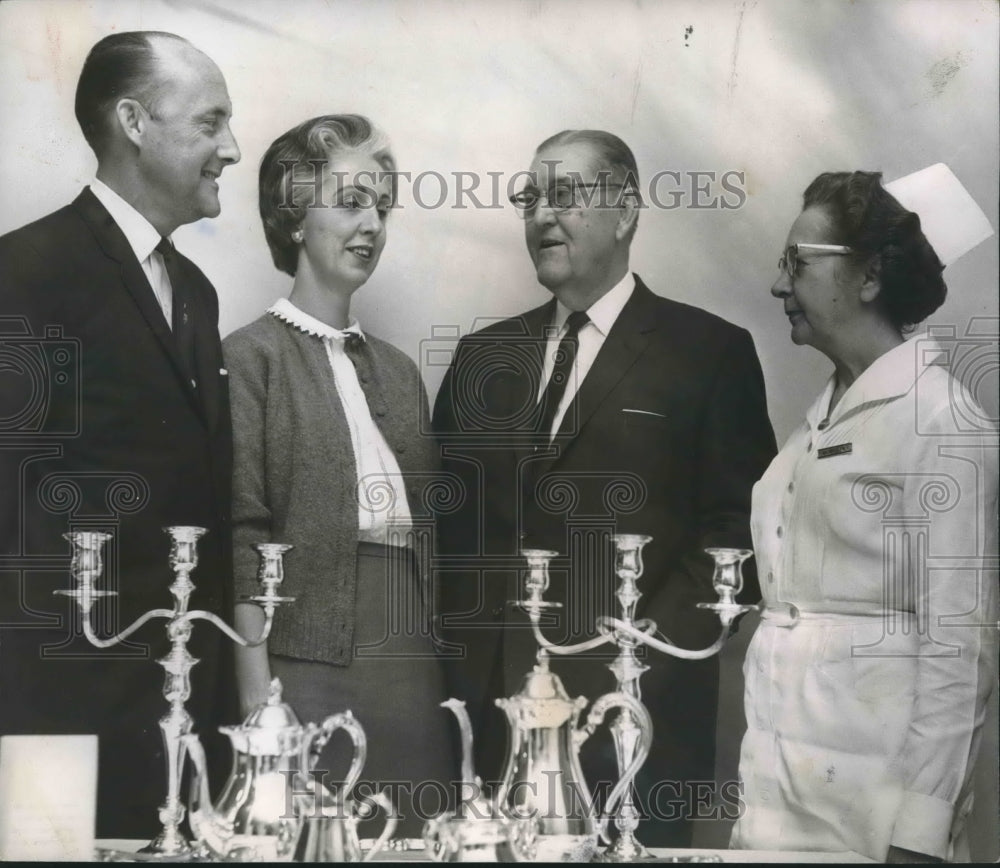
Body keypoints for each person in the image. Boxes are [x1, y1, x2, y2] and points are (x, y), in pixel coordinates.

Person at [432, 129, 777, 846]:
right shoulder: (480, 357)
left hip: (633, 727)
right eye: (530, 199)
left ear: (625, 213)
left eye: (565, 196)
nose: (541, 216)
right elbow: (448, 536)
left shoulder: (708, 353)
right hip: (492, 727)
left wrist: (636, 665)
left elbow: (738, 536)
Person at [0, 32, 240, 838]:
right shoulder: (24, 273)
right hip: (59, 720)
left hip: (185, 720)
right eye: (210, 123)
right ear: (134, 121)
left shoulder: (197, 294)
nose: (231, 149)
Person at [729, 170, 998, 862]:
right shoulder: (816, 424)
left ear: (870, 276)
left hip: (875, 823)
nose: (778, 284)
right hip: (778, 797)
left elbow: (960, 650)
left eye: (798, 262)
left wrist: (922, 833)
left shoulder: (944, 423)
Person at [224, 114, 457, 836]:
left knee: (419, 843)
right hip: (302, 667)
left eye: (381, 207)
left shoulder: (399, 373)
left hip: (412, 668)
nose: (372, 225)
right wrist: (260, 705)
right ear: (294, 216)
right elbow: (242, 540)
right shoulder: (249, 358)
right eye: (351, 202)